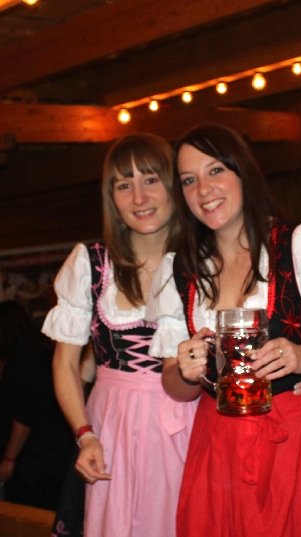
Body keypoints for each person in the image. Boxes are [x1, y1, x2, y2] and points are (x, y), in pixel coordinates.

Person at [145, 123, 301, 537]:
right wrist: (186, 371)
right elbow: (174, 387)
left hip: (296, 436)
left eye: (216, 171)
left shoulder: (298, 243)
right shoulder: (178, 269)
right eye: (189, 180)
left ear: (243, 172)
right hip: (217, 442)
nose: (204, 190)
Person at [41, 133, 198, 537]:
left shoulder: (205, 262)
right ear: (111, 198)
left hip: (195, 421)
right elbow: (64, 363)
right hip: (113, 427)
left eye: (150, 180)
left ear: (173, 185)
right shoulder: (91, 264)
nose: (139, 197)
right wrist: (85, 435)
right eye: (124, 185)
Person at [0, 300, 75, 509]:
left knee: (26, 512)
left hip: (36, 456)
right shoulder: (40, 350)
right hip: (56, 449)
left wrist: (9, 459)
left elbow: (24, 415)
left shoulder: (22, 362)